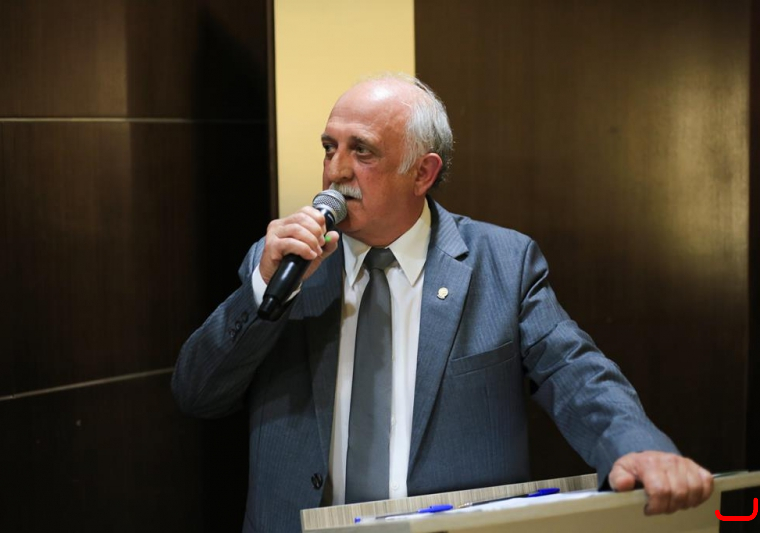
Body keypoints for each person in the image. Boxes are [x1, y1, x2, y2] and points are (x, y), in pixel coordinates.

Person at [171, 73, 714, 533]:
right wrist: (264, 289)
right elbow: (197, 393)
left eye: (362, 151)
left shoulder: (503, 263)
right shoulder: (284, 264)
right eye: (329, 147)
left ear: (422, 173)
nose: (336, 171)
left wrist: (637, 446)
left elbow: (575, 372)